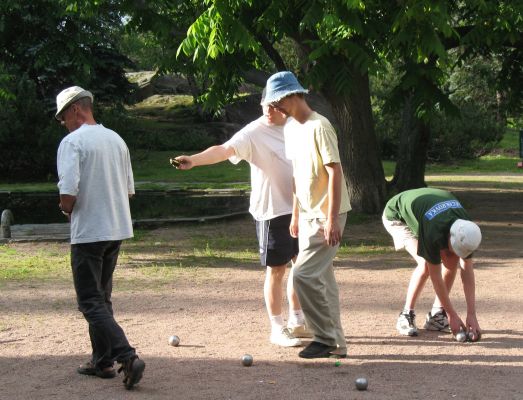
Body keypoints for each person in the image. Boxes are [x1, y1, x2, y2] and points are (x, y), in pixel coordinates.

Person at [173, 89, 310, 347]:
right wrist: (194, 160)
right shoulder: (253, 132)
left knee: (301, 267)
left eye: (274, 105)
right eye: (264, 105)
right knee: (277, 269)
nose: (268, 111)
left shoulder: (296, 126)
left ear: (285, 104)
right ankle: (277, 327)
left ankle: (297, 320)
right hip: (271, 211)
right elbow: (224, 150)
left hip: (300, 208)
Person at [55, 86, 145, 390]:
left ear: (75, 110)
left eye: (63, 117)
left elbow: (68, 191)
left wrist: (65, 208)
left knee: (90, 302)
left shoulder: (73, 142)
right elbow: (128, 188)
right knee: (102, 297)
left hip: (89, 232)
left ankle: (126, 356)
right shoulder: (116, 140)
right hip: (116, 228)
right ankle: (102, 360)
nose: (63, 123)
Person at [262, 71, 351, 359]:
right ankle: (337, 343)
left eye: (278, 102)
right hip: (308, 213)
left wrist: (332, 217)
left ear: (292, 95)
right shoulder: (291, 128)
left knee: (301, 275)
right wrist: (296, 214)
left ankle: (324, 338)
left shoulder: (320, 126)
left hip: (327, 213)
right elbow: (300, 175)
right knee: (323, 278)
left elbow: (334, 171)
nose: (276, 109)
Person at [382, 187, 482, 341]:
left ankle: (436, 316)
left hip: (427, 212)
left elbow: (467, 271)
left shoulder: (466, 229)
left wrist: (472, 314)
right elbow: (436, 276)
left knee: (451, 261)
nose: (457, 251)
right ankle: (406, 314)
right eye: (455, 247)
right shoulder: (433, 231)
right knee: (425, 265)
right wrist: (452, 314)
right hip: (397, 216)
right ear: (450, 235)